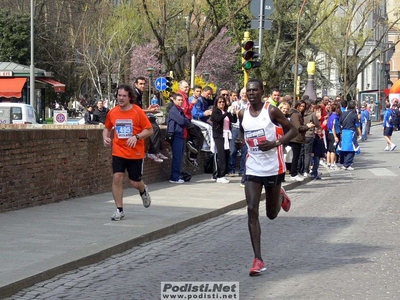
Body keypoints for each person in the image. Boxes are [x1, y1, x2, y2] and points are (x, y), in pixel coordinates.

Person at [238, 79, 297, 276]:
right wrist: (241, 142)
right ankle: (258, 259)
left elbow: (293, 130)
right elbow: (243, 131)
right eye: (249, 90)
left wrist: (275, 143)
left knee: (271, 214)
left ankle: (280, 195)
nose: (251, 93)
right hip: (253, 168)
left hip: (273, 168)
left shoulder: (271, 111)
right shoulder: (242, 113)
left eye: (255, 90)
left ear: (262, 92)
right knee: (251, 209)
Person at [103, 84, 153, 221]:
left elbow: (149, 130)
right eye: (119, 95)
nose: (121, 98)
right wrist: (105, 138)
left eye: (124, 96)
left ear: (130, 97)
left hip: (135, 153)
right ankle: (119, 210)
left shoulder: (137, 111)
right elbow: (107, 128)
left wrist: (136, 137)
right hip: (118, 151)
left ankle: (143, 190)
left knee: (134, 182)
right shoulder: (112, 112)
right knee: (117, 177)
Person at [134, 76, 168, 163]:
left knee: (154, 122)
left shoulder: (139, 93)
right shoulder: (135, 94)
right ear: (136, 84)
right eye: (140, 84)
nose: (142, 86)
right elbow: (135, 110)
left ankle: (157, 150)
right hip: (134, 119)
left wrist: (148, 108)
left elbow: (139, 108)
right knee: (153, 128)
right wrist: (150, 110)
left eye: (144, 84)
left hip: (138, 116)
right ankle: (152, 152)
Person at [211, 95, 237, 183]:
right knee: (221, 155)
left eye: (223, 102)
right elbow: (218, 119)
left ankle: (223, 174)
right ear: (216, 103)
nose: (222, 103)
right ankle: (219, 175)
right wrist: (226, 113)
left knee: (226, 154)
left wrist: (233, 113)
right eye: (220, 102)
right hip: (219, 135)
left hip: (227, 135)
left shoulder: (225, 111)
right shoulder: (215, 111)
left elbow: (234, 120)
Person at [177, 80, 203, 167]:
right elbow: (186, 109)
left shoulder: (184, 96)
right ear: (180, 88)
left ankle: (192, 147)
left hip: (188, 119)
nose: (187, 88)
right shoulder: (181, 96)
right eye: (185, 87)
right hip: (185, 120)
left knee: (198, 131)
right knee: (197, 134)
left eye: (188, 87)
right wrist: (192, 104)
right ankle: (191, 148)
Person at [167, 93, 191, 184]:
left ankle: (176, 175)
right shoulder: (174, 110)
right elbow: (182, 121)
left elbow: (186, 120)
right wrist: (185, 121)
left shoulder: (179, 110)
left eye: (182, 100)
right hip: (176, 135)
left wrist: (186, 120)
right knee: (177, 157)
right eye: (179, 100)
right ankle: (174, 177)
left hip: (180, 135)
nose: (180, 102)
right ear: (174, 100)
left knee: (179, 156)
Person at [289, 100, 315, 181]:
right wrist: (307, 126)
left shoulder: (298, 114)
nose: (302, 108)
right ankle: (293, 174)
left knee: (297, 156)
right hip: (295, 138)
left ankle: (296, 172)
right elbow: (298, 127)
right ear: (297, 106)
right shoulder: (295, 114)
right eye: (300, 106)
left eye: (303, 106)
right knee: (295, 157)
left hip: (299, 138)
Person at [338, 100, 361, 170]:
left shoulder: (343, 113)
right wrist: (360, 134)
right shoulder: (354, 115)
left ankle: (344, 162)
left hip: (344, 132)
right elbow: (357, 125)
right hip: (351, 132)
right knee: (352, 148)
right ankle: (347, 164)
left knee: (344, 147)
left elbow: (340, 122)